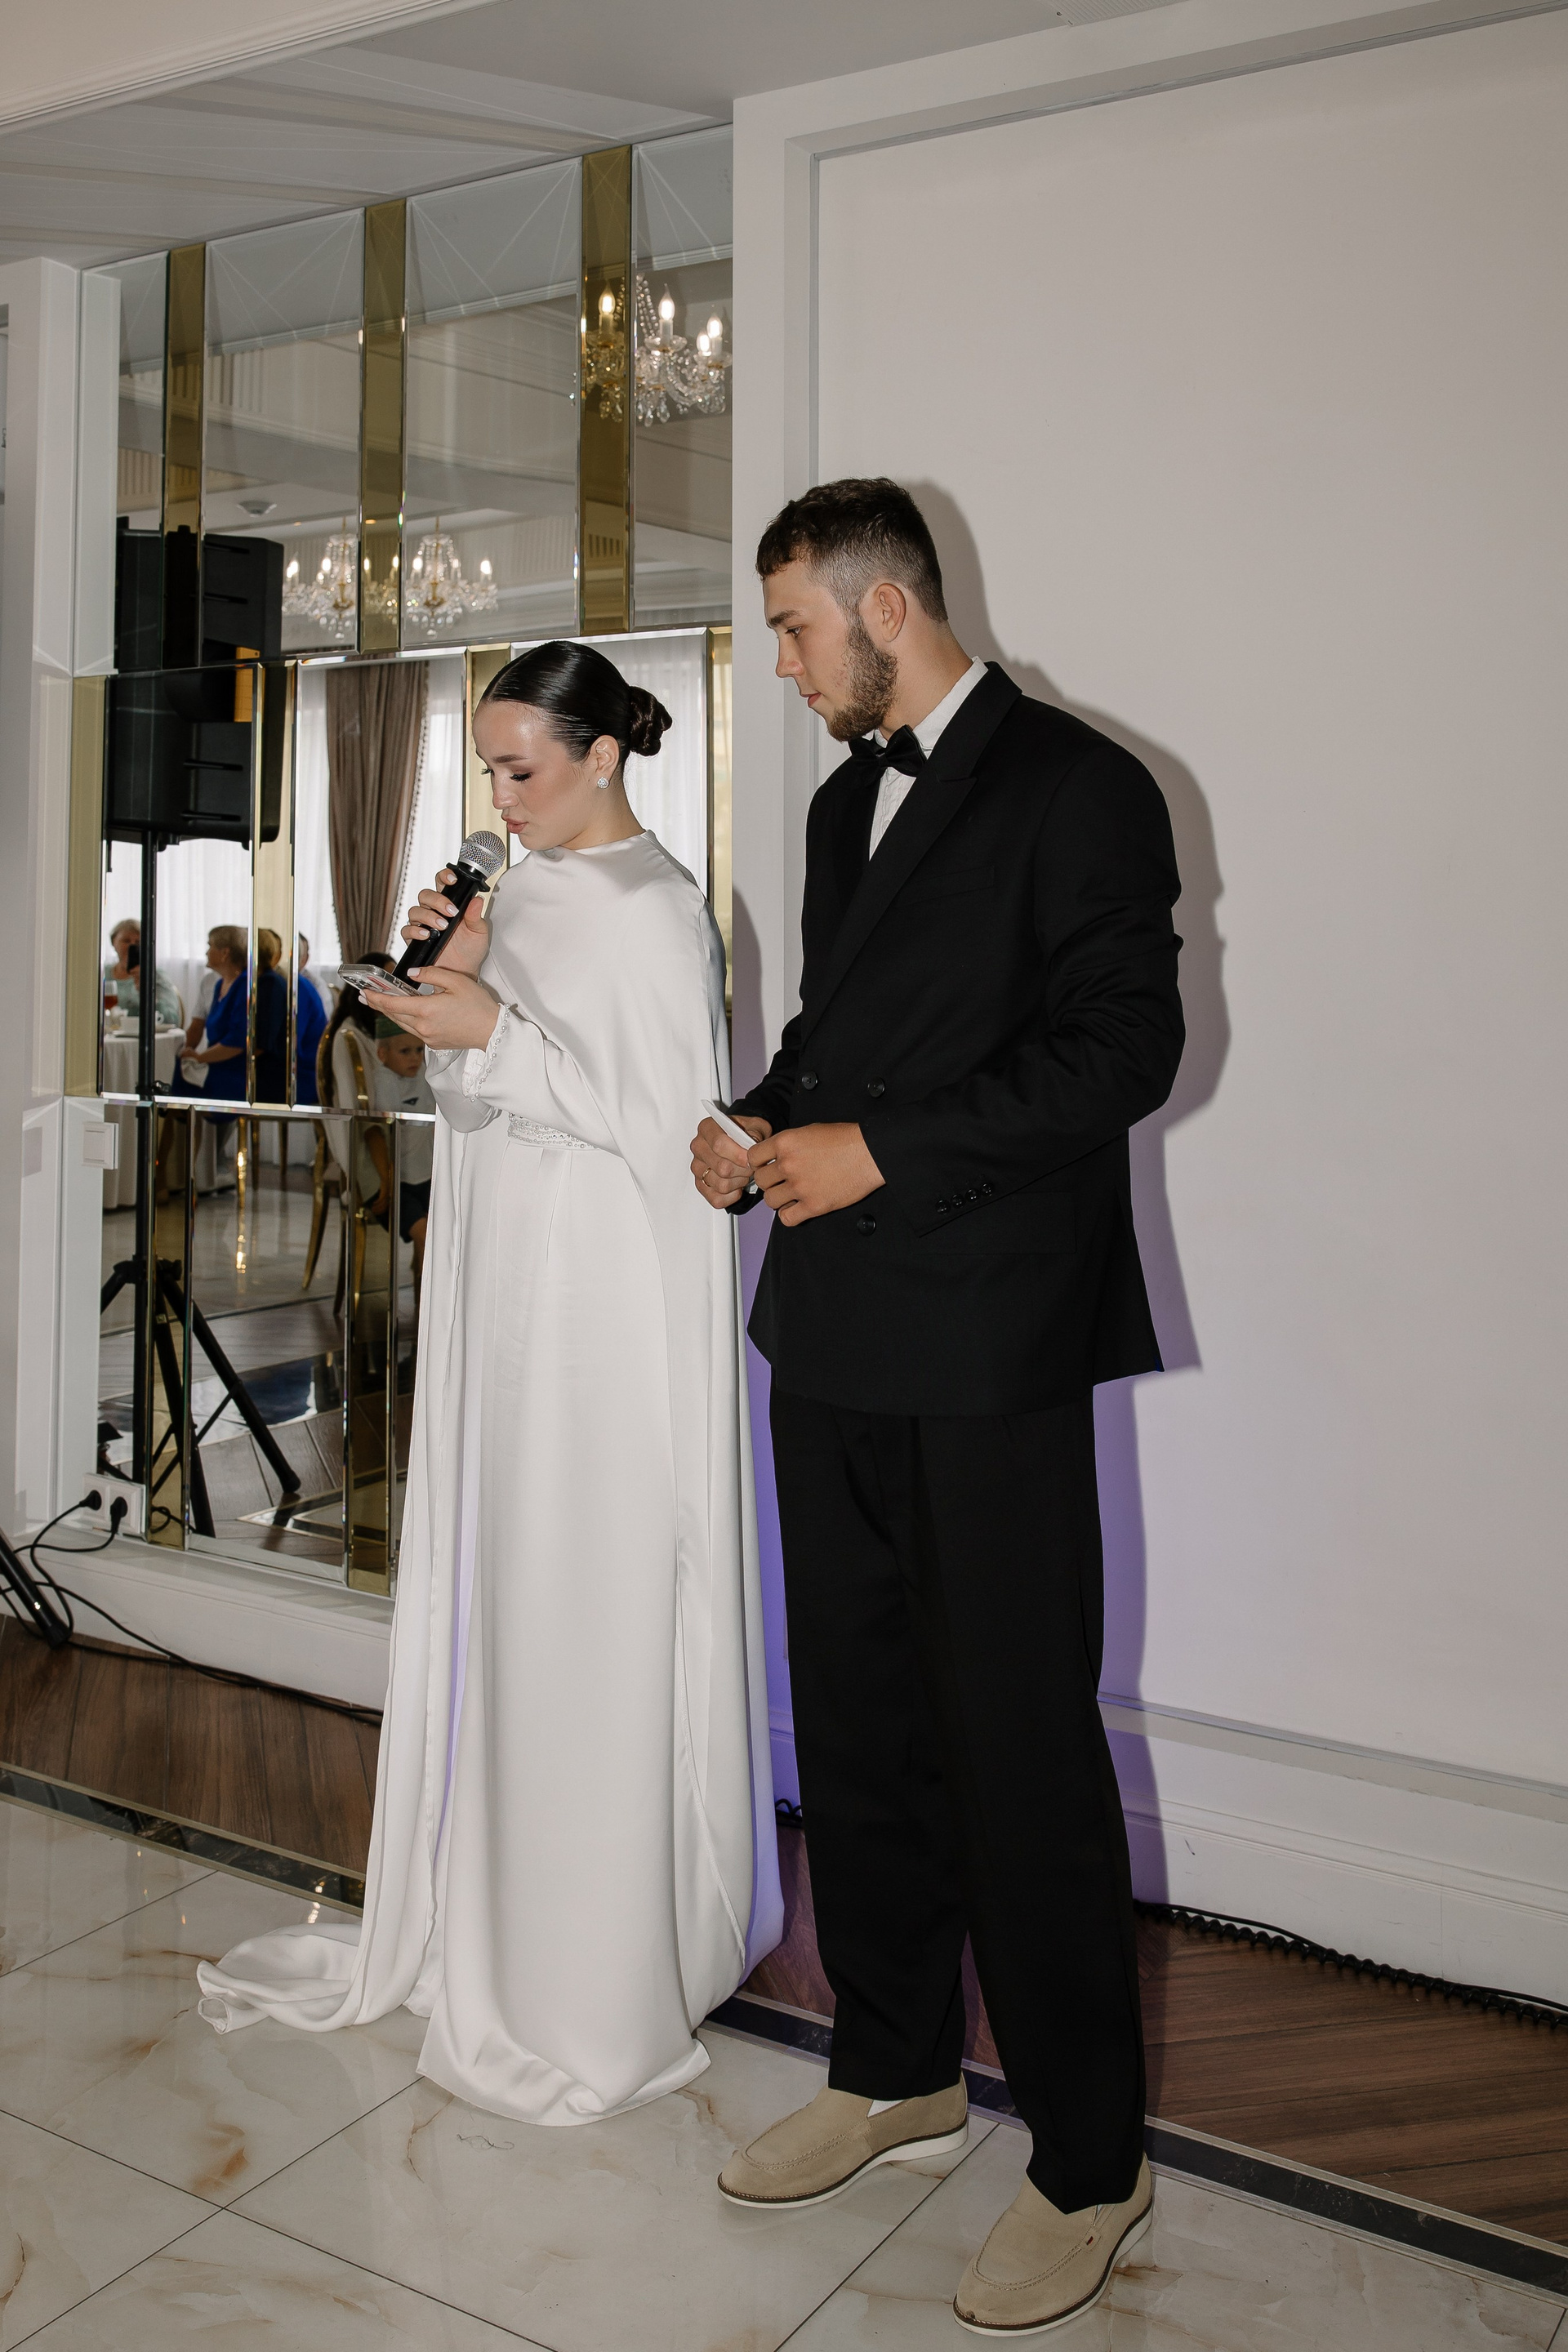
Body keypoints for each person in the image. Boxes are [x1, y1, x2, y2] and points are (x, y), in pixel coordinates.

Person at [690, 480, 1184, 2336]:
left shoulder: (1085, 785)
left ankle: (1089, 2160)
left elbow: (1123, 1050)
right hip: (826, 1332)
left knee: (1019, 1747)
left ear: (884, 606)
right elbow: (844, 1034)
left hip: (989, 1346)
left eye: (795, 630)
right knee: (861, 1726)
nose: (787, 664)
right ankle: (893, 2068)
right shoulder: (843, 804)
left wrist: (879, 1151)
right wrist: (758, 1119)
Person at [197, 639, 781, 2127]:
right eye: (490, 772)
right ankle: (489, 1917)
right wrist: (449, 1004)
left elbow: (665, 1139)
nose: (501, 800)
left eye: (522, 769)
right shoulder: (517, 896)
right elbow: (482, 1096)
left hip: (598, 1312)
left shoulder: (657, 913)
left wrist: (496, 1035)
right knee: (502, 1593)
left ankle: (582, 1967)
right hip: (505, 1288)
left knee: (579, 1599)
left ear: (602, 754)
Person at [365, 1018, 435, 1272]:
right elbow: (385, 1130)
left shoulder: (425, 1073)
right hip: (398, 1184)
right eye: (405, 1051)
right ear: (382, 1055)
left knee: (442, 1237)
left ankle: (424, 1292)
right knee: (426, 1235)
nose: (414, 1058)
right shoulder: (384, 1080)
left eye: (419, 1050)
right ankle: (424, 1296)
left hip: (426, 1177)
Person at [180, 925, 250, 1105]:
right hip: (216, 1064)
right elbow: (197, 1025)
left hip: (235, 1071)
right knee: (170, 1070)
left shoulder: (244, 985)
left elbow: (236, 1042)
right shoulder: (219, 984)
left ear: (225, 953)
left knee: (173, 1079)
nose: (206, 952)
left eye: (210, 946)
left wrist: (199, 1058)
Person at [103, 917, 180, 1027]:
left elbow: (172, 1019)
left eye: (138, 942)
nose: (132, 946)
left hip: (143, 1035)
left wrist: (148, 992)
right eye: (126, 941)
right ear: (113, 943)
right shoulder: (101, 974)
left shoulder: (156, 975)